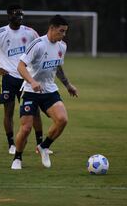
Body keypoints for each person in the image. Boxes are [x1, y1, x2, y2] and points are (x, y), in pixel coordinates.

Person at [11, 15, 78, 170]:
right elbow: (21, 66)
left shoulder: (62, 46)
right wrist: (32, 81)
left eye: (65, 32)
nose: (63, 34)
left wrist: (67, 85)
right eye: (61, 31)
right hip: (30, 91)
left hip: (49, 90)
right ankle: (17, 158)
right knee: (26, 128)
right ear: (52, 28)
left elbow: (58, 66)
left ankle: (43, 146)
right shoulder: (38, 44)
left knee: (62, 119)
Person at [0, 4, 48, 155]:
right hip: (8, 78)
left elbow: (42, 48)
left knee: (35, 111)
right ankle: (11, 144)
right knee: (8, 112)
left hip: (27, 78)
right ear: (9, 16)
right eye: (17, 15)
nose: (20, 18)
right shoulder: (0, 33)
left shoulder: (30, 32)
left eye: (21, 15)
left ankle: (41, 145)